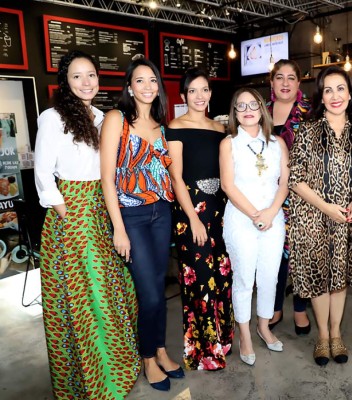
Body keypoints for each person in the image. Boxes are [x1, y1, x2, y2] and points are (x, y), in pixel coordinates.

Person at [34, 50, 140, 399]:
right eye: (77, 76)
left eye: (91, 75)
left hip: (104, 208)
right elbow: (43, 174)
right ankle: (94, 382)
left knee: (114, 292)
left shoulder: (100, 116)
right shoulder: (52, 117)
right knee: (86, 300)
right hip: (75, 214)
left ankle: (117, 369)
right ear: (65, 81)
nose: (86, 82)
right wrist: (68, 214)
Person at [100, 57, 183, 392]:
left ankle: (161, 349)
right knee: (148, 294)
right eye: (140, 81)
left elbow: (166, 174)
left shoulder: (162, 127)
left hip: (161, 213)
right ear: (129, 86)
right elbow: (107, 179)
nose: (148, 87)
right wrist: (118, 228)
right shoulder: (116, 119)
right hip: (131, 217)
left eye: (153, 81)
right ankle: (147, 357)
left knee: (159, 291)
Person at [288, 66, 352, 366]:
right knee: (317, 279)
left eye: (340, 89)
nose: (335, 95)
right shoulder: (308, 130)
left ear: (350, 94)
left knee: (339, 278)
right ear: (320, 97)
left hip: (348, 216)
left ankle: (336, 333)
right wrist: (326, 208)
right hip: (313, 217)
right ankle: (322, 336)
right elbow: (295, 178)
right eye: (328, 90)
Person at [166, 67, 234, 371]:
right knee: (200, 282)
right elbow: (176, 178)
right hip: (190, 213)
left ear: (210, 93)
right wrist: (193, 218)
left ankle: (223, 340)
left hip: (220, 211)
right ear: (183, 95)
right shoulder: (175, 127)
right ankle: (204, 351)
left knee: (222, 277)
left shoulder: (220, 129)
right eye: (192, 90)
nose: (199, 95)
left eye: (204, 89)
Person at [220, 88, 289, 366]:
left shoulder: (277, 143)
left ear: (262, 108)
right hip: (241, 219)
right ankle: (245, 334)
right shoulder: (229, 143)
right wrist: (254, 215)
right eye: (241, 106)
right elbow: (228, 185)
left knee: (270, 276)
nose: (247, 110)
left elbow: (284, 183)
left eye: (253, 104)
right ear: (235, 113)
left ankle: (263, 326)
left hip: (273, 219)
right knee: (245, 279)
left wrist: (271, 213)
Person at [266, 59, 312, 335]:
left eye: (291, 78)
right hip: (267, 195)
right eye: (279, 77)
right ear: (271, 83)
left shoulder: (309, 112)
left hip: (302, 193)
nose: (285, 83)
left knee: (300, 253)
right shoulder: (260, 112)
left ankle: (299, 308)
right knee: (274, 255)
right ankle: (274, 306)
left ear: (298, 83)